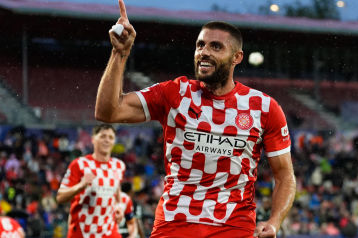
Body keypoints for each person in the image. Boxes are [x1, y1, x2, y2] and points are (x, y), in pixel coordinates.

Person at [95, 1, 296, 237]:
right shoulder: (174, 93)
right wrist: (120, 53)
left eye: (216, 46)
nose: (204, 52)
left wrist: (273, 222)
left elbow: (284, 176)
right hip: (174, 224)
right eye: (200, 45)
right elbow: (108, 113)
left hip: (233, 228)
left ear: (237, 57)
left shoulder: (264, 107)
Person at [56, 124, 125, 238]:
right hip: (83, 232)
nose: (107, 140)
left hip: (109, 232)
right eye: (103, 136)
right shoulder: (79, 164)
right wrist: (81, 185)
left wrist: (120, 208)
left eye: (110, 137)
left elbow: (116, 190)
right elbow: (60, 198)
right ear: (93, 139)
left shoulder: (118, 166)